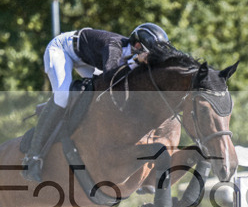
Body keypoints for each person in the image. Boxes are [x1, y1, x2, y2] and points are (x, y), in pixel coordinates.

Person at [22, 23, 170, 182]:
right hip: (62, 49)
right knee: (63, 96)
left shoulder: (132, 52)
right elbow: (110, 77)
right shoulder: (114, 47)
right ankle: (33, 157)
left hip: (88, 57)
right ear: (138, 46)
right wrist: (136, 61)